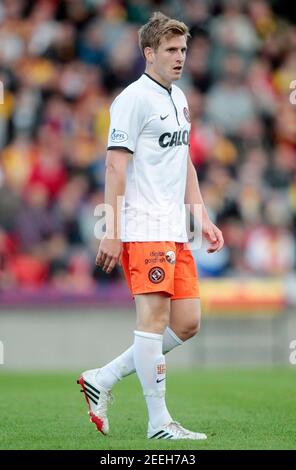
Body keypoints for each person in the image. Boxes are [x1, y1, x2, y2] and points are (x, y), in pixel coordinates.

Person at [77, 11, 224, 440]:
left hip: (174, 227)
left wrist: (202, 217)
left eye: (183, 50)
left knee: (187, 322)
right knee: (154, 319)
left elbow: (185, 164)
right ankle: (159, 424)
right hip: (143, 228)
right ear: (149, 53)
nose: (180, 58)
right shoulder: (132, 99)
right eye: (171, 50)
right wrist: (112, 228)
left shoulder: (178, 98)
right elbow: (113, 165)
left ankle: (101, 378)